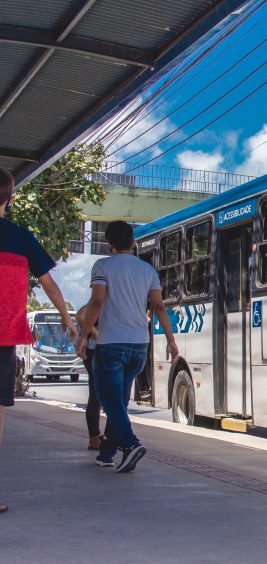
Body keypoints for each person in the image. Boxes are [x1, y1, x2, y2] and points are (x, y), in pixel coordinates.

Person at [0, 167, 78, 513]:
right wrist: (65, 317)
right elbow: (48, 283)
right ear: (11, 198)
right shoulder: (21, 237)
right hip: (3, 337)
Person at [77, 220, 178, 473]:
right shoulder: (147, 271)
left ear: (109, 245)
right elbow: (159, 307)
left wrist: (83, 335)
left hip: (111, 343)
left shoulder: (102, 266)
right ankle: (108, 452)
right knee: (118, 400)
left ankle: (132, 444)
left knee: (107, 397)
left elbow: (97, 301)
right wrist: (171, 339)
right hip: (139, 345)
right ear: (133, 243)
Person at [75, 304, 103, 450]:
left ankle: (96, 438)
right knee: (96, 394)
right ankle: (95, 438)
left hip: (95, 349)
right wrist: (96, 333)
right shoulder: (101, 299)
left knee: (96, 394)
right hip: (95, 350)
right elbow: (79, 316)